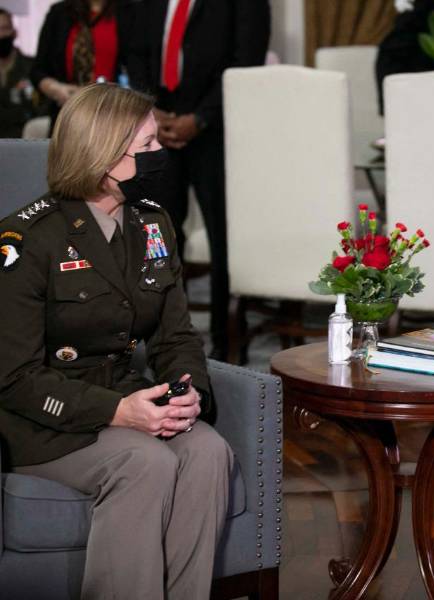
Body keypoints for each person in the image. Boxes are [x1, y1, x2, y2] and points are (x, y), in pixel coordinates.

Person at [0, 83, 232, 598]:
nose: (160, 154)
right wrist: (118, 411)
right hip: (49, 421)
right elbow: (13, 378)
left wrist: (185, 392)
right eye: (146, 146)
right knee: (144, 462)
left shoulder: (152, 224)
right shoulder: (25, 240)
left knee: (209, 452)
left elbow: (176, 336)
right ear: (102, 155)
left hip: (131, 400)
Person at [128, 0, 271, 360]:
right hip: (159, 127)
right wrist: (152, 111)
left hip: (219, 131)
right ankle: (170, 341)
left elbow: (245, 60)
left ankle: (226, 346)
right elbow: (136, 51)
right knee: (158, 237)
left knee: (225, 240)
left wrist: (201, 118)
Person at [30, 0, 138, 130]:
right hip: (68, 115)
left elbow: (140, 71)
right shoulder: (59, 13)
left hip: (115, 117)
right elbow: (38, 70)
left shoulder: (131, 11)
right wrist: (56, 89)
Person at [0, 8, 40, 137]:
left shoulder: (33, 68)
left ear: (14, 32)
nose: (1, 35)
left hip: (24, 141)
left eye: (5, 28)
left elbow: (42, 109)